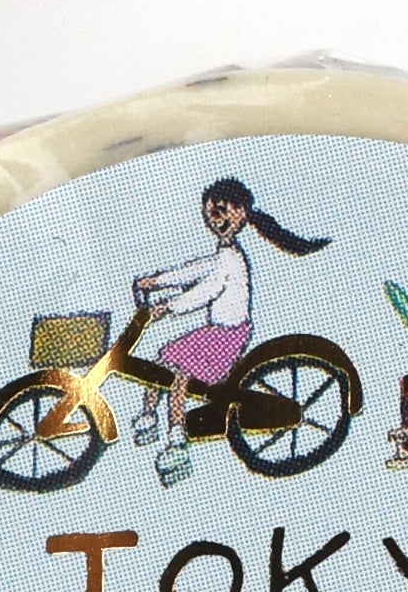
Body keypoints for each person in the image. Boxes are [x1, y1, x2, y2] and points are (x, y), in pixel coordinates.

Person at [125, 176, 328, 483]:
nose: (215, 219)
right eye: (211, 214)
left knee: (179, 378)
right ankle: (148, 417)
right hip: (216, 332)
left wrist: (168, 306)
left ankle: (178, 442)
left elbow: (208, 289)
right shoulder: (224, 253)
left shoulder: (231, 259)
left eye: (221, 211)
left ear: (241, 212)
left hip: (227, 336)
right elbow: (196, 269)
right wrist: (155, 281)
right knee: (161, 363)